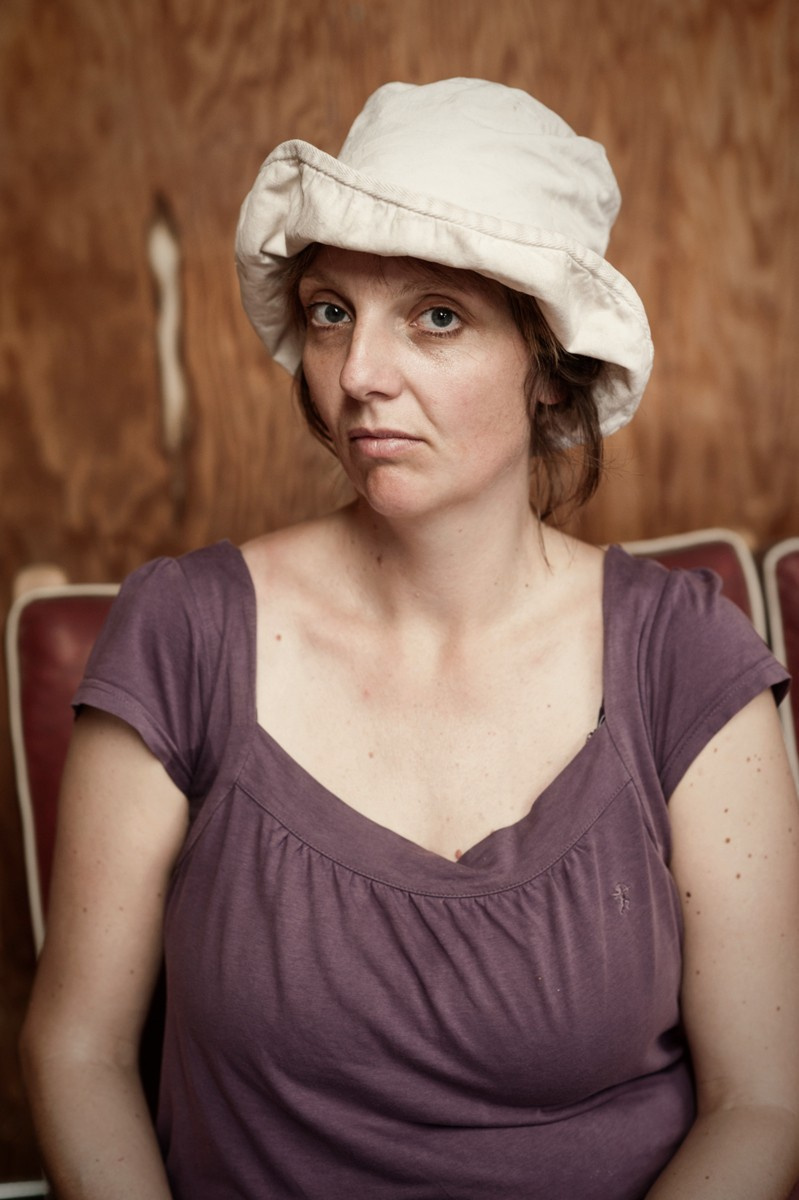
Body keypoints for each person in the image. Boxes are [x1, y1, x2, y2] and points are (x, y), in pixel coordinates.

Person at [20, 78, 799, 1199]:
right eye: (333, 312)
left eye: (436, 316)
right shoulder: (185, 631)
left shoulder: (684, 656)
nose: (359, 378)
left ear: (550, 367)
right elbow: (77, 1051)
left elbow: (760, 1103)